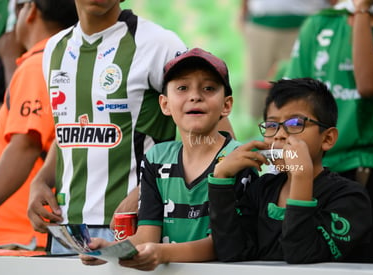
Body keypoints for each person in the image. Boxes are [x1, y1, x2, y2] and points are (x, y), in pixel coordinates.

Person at [27, 0, 233, 255]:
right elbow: (70, 131)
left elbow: (218, 138)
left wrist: (146, 193)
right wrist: (39, 181)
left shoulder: (160, 45)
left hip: (135, 226)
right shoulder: (55, 47)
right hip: (66, 229)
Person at [80, 48, 257, 271]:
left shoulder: (238, 159)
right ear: (165, 104)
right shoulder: (156, 158)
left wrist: (162, 253)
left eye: (209, 88)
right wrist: (110, 250)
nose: (195, 96)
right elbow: (147, 235)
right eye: (182, 88)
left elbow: (224, 243)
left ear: (227, 105)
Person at [282, 0, 373, 264]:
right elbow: (291, 104)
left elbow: (368, 84)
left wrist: (361, 11)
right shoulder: (318, 23)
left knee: (371, 264)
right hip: (315, 169)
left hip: (372, 169)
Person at [208, 78, 372, 263]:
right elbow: (230, 251)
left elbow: (301, 254)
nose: (279, 134)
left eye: (295, 123)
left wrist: (301, 176)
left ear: (327, 138)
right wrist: (221, 178)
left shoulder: (350, 198)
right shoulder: (260, 190)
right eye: (271, 125)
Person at [0, 0, 78, 250]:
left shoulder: (37, 65)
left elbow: (25, 146)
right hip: (29, 235)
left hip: (19, 236)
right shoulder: (65, 62)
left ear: (30, 10)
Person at [240, 0, 335, 121]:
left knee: (302, 89)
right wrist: (243, 11)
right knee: (259, 87)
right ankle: (262, 129)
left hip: (305, 22)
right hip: (262, 20)